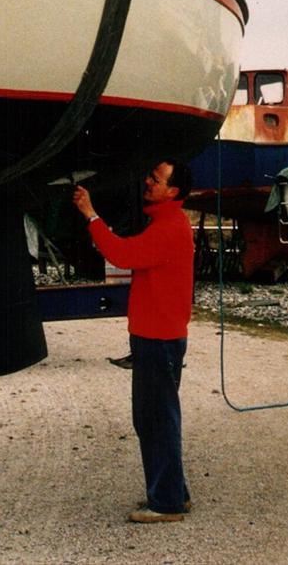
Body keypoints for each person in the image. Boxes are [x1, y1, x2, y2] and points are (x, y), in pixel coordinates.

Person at [72, 160, 195, 524]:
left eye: (155, 180)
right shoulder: (169, 223)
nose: (147, 181)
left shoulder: (169, 228)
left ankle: (167, 504)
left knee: (155, 419)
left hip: (157, 339)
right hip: (160, 337)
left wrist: (91, 215)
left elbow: (122, 255)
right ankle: (174, 494)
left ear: (172, 192)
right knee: (159, 417)